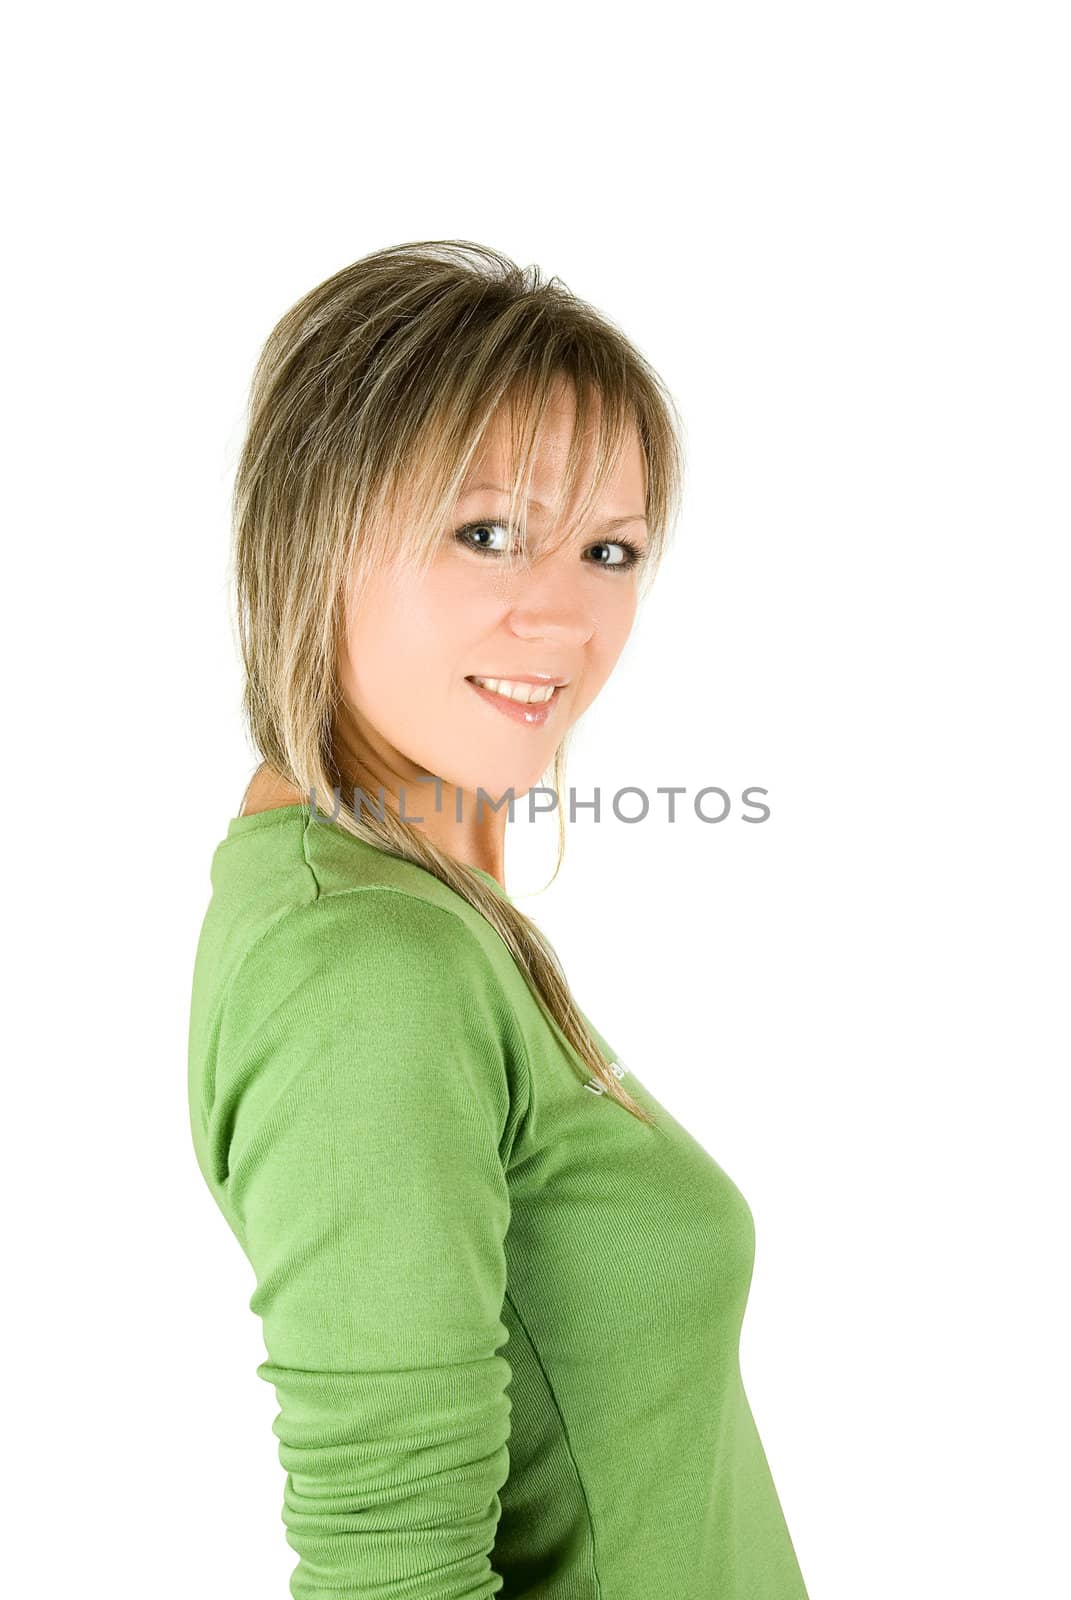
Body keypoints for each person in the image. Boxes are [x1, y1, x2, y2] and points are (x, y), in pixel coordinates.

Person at [187, 239, 810, 1598]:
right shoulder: (362, 963)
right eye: (486, 532)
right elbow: (387, 1569)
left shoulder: (410, 908)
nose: (566, 614)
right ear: (314, 527)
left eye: (609, 549)